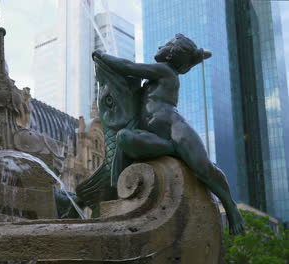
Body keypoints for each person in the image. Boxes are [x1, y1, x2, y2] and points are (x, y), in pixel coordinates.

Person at [92, 34, 244, 235]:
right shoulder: (157, 76)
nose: (161, 45)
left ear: (172, 53)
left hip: (176, 130)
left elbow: (128, 67)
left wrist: (102, 56)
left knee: (204, 168)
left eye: (167, 43)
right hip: (159, 136)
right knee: (124, 138)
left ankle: (231, 206)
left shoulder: (165, 71)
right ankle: (172, 150)